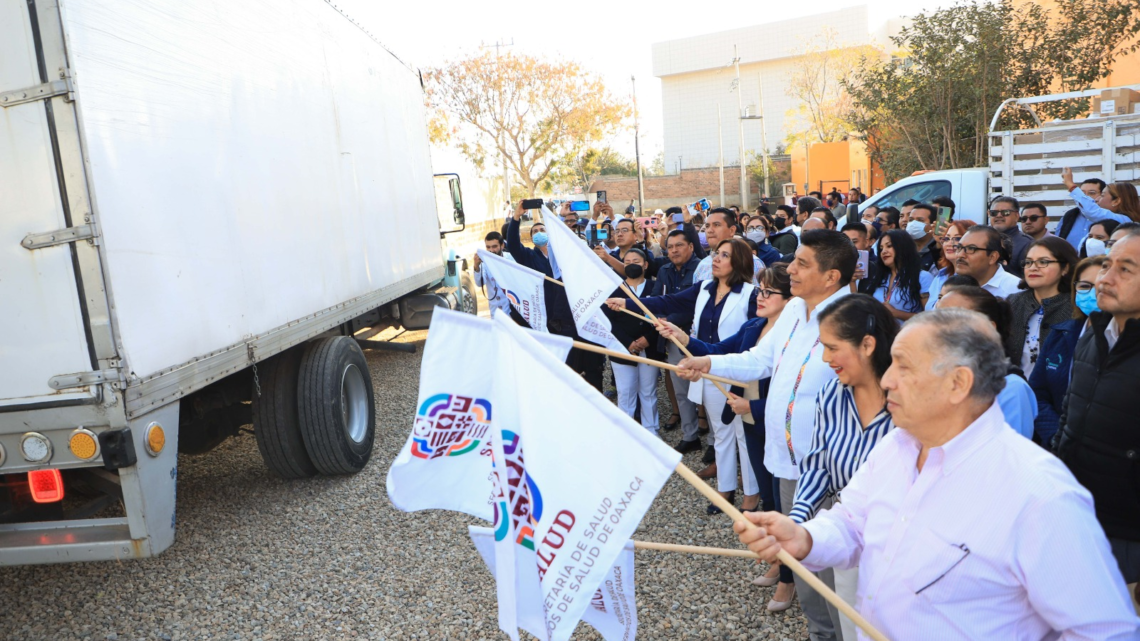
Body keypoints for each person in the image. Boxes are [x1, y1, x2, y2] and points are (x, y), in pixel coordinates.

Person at [733, 308, 1140, 641]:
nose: (887, 379)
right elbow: (852, 523)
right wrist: (804, 537)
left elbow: (1105, 632)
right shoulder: (896, 446)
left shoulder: (1040, 495)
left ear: (957, 383)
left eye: (903, 367)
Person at [678, 229, 858, 641]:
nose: (789, 269)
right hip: (785, 461)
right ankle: (819, 633)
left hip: (828, 469)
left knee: (836, 575)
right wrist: (708, 362)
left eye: (801, 263)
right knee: (804, 567)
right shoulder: (795, 310)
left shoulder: (853, 316)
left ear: (831, 277)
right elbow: (760, 359)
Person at [657, 265, 797, 609]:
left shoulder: (796, 336)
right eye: (759, 290)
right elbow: (719, 350)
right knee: (767, 496)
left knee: (785, 505)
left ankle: (791, 580)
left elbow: (794, 392)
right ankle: (779, 563)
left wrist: (755, 405)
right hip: (749, 421)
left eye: (768, 292)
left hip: (775, 424)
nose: (759, 297)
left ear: (791, 299)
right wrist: (683, 337)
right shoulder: (753, 327)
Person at [612, 239, 760, 513]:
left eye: (724, 255)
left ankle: (751, 494)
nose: (716, 259)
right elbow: (666, 300)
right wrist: (628, 302)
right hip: (707, 369)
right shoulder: (704, 288)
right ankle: (724, 491)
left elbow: (753, 341)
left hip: (739, 373)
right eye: (716, 254)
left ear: (738, 262)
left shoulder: (752, 294)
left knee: (742, 434)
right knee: (721, 433)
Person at [792, 294, 899, 640]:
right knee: (850, 625)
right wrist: (796, 520)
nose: (825, 359)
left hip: (895, 540)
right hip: (845, 529)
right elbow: (818, 464)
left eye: (833, 347)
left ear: (867, 344)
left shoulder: (909, 404)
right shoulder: (831, 394)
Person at [1056, 228, 1140, 588]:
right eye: (1107, 264)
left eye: (1126, 269)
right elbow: (1070, 412)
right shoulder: (1094, 331)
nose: (1104, 278)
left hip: (1128, 539)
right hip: (1075, 518)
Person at [507, 203, 604, 390]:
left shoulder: (561, 252)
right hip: (552, 318)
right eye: (534, 231)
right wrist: (516, 218)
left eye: (542, 229)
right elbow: (512, 244)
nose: (538, 232)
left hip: (577, 311)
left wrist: (562, 216)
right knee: (565, 364)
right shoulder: (528, 257)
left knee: (591, 363)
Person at [936, 287, 1038, 439]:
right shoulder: (934, 374)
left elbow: (1009, 455)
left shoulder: (1011, 388)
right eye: (936, 317)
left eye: (951, 318)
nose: (937, 326)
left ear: (987, 327)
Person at [1029, 255, 1106, 446]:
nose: (1093, 293)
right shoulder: (1060, 333)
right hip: (1058, 445)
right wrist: (1057, 437)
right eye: (1084, 286)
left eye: (1100, 285)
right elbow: (1038, 392)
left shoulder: (1126, 340)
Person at [652, 229, 702, 446]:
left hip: (696, 336)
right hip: (671, 338)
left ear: (691, 246)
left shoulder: (703, 269)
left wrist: (667, 318)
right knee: (681, 389)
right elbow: (656, 298)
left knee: (705, 391)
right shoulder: (664, 270)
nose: (674, 250)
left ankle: (712, 440)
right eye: (670, 247)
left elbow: (695, 304)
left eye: (679, 245)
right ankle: (690, 435)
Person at [1005, 237, 1079, 379]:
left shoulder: (1076, 306)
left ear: (1065, 268)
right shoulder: (1013, 302)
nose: (1033, 267)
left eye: (1043, 262)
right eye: (1028, 262)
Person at [605, 249, 661, 435]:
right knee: (626, 392)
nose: (631, 265)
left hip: (649, 347)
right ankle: (626, 435)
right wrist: (629, 342)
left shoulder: (655, 287)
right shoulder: (615, 289)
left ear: (645, 265)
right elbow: (609, 321)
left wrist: (647, 339)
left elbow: (661, 315)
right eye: (627, 262)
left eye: (636, 261)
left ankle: (651, 431)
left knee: (648, 392)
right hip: (622, 348)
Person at [861, 230, 931, 322]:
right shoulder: (879, 277)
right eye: (881, 248)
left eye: (889, 246)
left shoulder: (922, 277)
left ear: (903, 247)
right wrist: (853, 281)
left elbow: (930, 317)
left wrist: (897, 313)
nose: (883, 252)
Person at [1061, 167, 1138, 248]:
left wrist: (1070, 185)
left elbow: (1092, 211)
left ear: (1116, 201)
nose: (1096, 199)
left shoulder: (1123, 220)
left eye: (1102, 195)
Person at [692, 208, 763, 283]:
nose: (710, 230)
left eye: (716, 225)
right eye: (707, 226)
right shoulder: (702, 265)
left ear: (732, 230)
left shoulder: (752, 262)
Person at [953, 225, 1021, 299]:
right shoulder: (953, 286)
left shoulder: (1015, 290)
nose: (960, 255)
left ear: (992, 257)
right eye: (959, 247)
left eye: (971, 248)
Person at [926, 220, 977, 311]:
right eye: (946, 239)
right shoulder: (940, 276)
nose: (949, 244)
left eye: (957, 239)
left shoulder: (976, 276)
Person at [987, 196, 1033, 278]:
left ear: (1016, 216)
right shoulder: (981, 239)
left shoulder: (1027, 244)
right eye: (994, 213)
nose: (999, 215)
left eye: (1005, 212)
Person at [472, 231, 515, 317]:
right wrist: (476, 266)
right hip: (496, 310)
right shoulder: (484, 262)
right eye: (488, 247)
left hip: (512, 309)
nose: (491, 250)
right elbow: (480, 283)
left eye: (494, 246)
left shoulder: (510, 258)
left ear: (502, 245)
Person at [1057, 178, 1109, 246]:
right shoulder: (1069, 216)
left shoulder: (1107, 216)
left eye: (1092, 193)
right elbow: (1057, 241)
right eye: (1082, 194)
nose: (1085, 197)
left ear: (1102, 195)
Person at [905, 204, 940, 272]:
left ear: (933, 225)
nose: (913, 223)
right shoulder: (901, 248)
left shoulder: (938, 250)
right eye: (911, 220)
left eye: (920, 220)